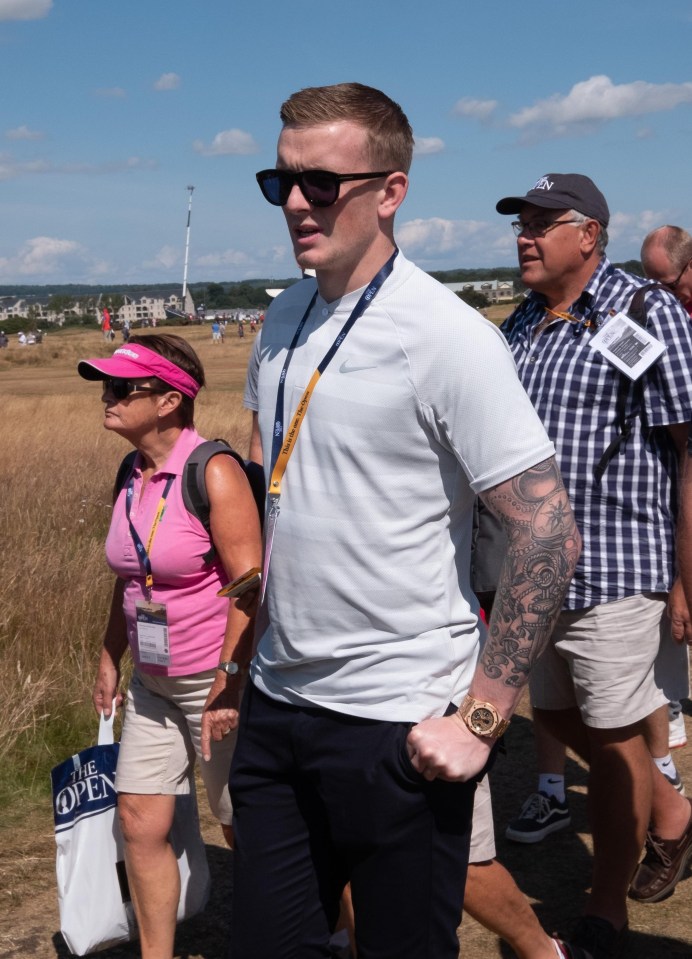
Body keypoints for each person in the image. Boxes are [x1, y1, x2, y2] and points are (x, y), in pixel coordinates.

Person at [229, 82, 581, 959]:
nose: (298, 204)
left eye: (321, 184)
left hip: (396, 720)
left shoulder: (445, 334)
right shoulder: (280, 317)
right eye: (281, 184)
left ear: (391, 192)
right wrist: (247, 661)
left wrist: (483, 716)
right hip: (279, 708)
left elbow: (545, 529)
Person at [495, 173, 692, 957]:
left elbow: (688, 450)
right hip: (533, 573)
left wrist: (686, 579)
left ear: (591, 234)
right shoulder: (520, 326)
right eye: (521, 222)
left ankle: (606, 905)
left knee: (612, 741)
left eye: (544, 222)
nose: (525, 235)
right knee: (549, 714)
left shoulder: (639, 316)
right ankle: (673, 812)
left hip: (617, 569)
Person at [78, 333, 261, 959]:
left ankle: (333, 931)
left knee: (248, 828)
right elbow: (130, 580)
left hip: (213, 683)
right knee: (139, 821)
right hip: (151, 685)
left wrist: (229, 679)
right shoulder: (130, 473)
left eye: (122, 387)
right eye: (106, 385)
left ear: (168, 401)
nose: (107, 396)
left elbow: (249, 587)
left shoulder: (213, 470)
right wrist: (110, 655)